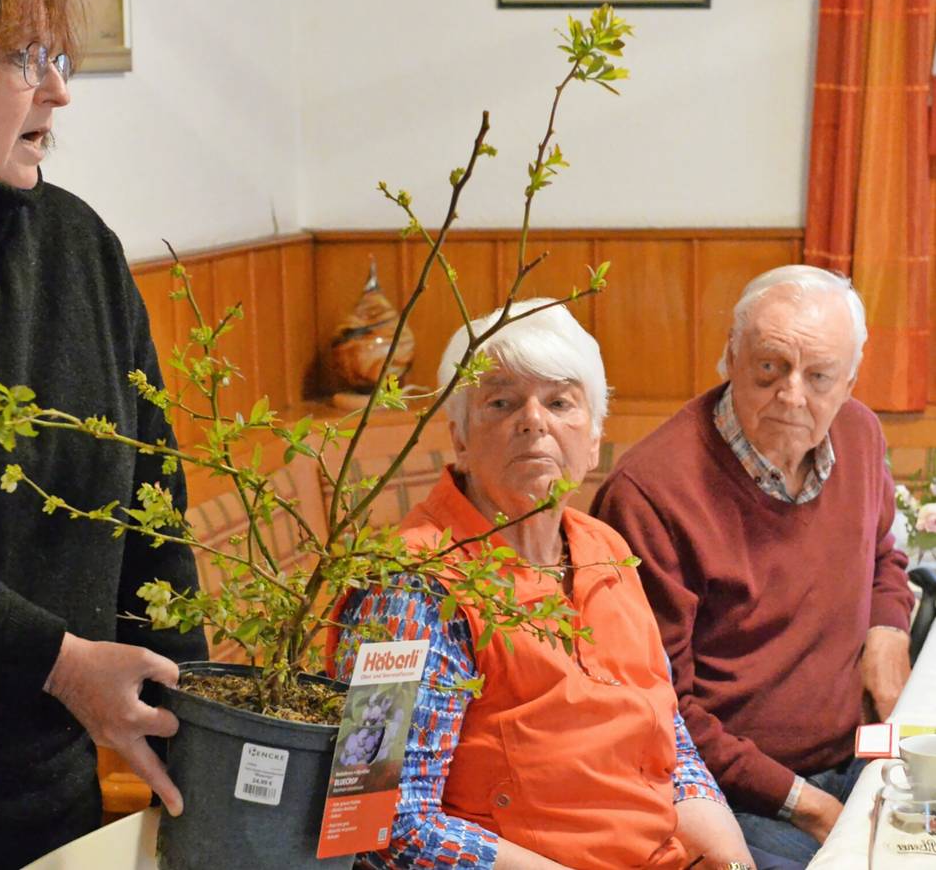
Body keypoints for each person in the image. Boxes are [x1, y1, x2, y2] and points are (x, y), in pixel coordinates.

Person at [328, 299, 803, 870]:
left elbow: (668, 740)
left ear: (594, 437)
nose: (534, 421)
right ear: (460, 439)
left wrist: (731, 859)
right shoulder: (407, 590)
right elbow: (378, 821)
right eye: (501, 402)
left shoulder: (607, 549)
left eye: (559, 402)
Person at [0, 0, 206, 869]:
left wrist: (190, 714)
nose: (58, 93)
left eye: (59, 59)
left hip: (50, 791)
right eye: (23, 59)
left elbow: (153, 504)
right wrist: (62, 662)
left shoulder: (79, 246)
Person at [591, 265, 916, 864]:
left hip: (862, 753)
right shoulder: (650, 494)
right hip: (736, 795)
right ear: (731, 357)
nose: (792, 396)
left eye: (819, 376)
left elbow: (882, 555)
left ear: (849, 381)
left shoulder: (860, 434)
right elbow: (659, 707)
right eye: (770, 367)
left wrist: (888, 629)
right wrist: (810, 806)